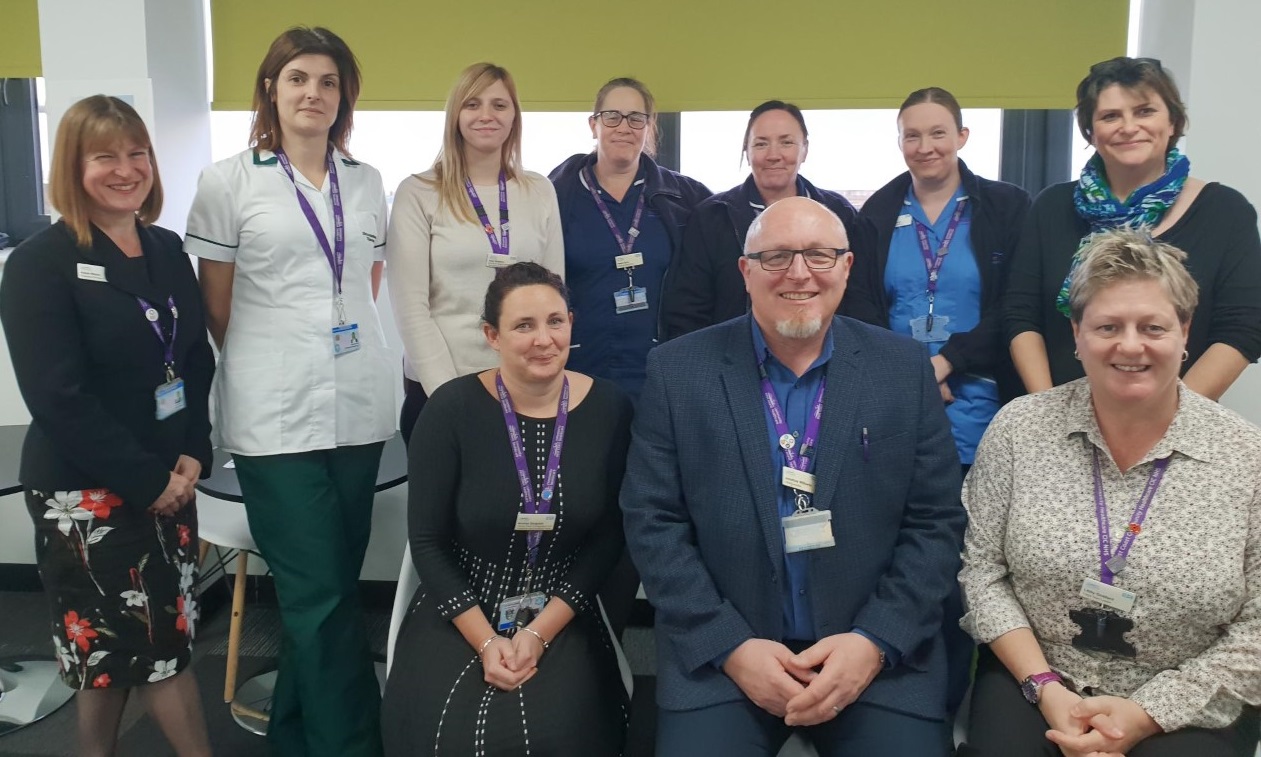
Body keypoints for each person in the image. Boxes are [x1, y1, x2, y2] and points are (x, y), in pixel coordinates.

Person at [621, 196, 966, 756]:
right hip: (724, 656)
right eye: (776, 256)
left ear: (847, 267)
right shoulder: (679, 371)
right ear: (745, 271)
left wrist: (873, 643)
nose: (799, 273)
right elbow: (652, 522)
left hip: (874, 656)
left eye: (819, 256)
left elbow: (936, 523)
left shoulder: (902, 369)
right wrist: (730, 646)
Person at [960, 228, 1261, 757]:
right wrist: (1047, 689)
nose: (1129, 345)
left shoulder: (1244, 456)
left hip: (1189, 697)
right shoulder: (1018, 431)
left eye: (1152, 327)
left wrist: (1148, 714)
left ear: (1185, 331)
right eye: (1107, 326)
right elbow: (981, 573)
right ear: (1076, 335)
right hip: (1038, 678)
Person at [185, 26, 394, 756]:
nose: (314, 93)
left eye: (328, 81)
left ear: (345, 97)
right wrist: (278, 355)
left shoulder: (364, 181)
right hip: (273, 415)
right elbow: (218, 306)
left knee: (330, 589)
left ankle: (293, 740)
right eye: (298, 78)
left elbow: (363, 287)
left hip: (360, 406)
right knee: (320, 596)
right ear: (271, 89)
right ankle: (355, 745)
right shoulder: (227, 181)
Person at [0, 95, 213, 757]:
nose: (126, 169)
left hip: (169, 480)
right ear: (72, 166)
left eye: (136, 152)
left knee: (108, 647)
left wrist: (194, 454)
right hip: (86, 495)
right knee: (157, 649)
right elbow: (58, 397)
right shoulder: (40, 263)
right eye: (105, 156)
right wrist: (150, 478)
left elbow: (195, 358)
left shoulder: (165, 248)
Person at [381, 262, 633, 756]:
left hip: (565, 602)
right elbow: (428, 541)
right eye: (523, 325)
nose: (544, 339)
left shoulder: (610, 409)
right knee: (447, 735)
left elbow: (609, 537)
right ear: (491, 336)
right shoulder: (450, 409)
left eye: (555, 321)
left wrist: (539, 633)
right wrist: (484, 641)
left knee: (554, 733)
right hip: (461, 600)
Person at [858, 85, 1031, 718]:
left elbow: (1017, 306)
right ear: (899, 141)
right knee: (895, 553)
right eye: (911, 135)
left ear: (962, 137)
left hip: (978, 404)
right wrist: (911, 371)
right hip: (896, 402)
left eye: (937, 132)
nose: (924, 146)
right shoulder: (877, 211)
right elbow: (863, 310)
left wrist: (946, 360)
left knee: (968, 561)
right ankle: (891, 681)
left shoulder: (1006, 207)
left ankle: (962, 695)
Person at [1005, 56, 1261, 400]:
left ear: (1173, 122)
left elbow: (1243, 327)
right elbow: (1020, 316)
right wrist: (1046, 413)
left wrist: (1173, 418)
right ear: (1091, 132)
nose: (1128, 127)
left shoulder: (1226, 211)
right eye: (1111, 116)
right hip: (1061, 422)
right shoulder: (1051, 207)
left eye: (1144, 111)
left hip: (1179, 426)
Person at [387, 62, 564, 443]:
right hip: (442, 388)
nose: (487, 115)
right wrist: (451, 397)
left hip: (525, 384)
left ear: (514, 116)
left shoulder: (538, 190)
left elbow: (554, 298)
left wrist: (542, 375)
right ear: (455, 116)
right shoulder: (419, 192)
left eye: (499, 105)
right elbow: (411, 308)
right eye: (472, 104)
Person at [549, 76, 711, 402]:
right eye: (612, 116)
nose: (624, 127)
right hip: (579, 367)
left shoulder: (688, 199)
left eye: (637, 118)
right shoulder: (555, 195)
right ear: (593, 124)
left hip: (659, 371)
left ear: (649, 127)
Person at [662, 99, 877, 339]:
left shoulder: (840, 214)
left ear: (804, 149)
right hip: (732, 362)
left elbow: (859, 303)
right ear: (747, 150)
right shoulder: (712, 217)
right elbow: (688, 310)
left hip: (825, 358)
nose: (773, 155)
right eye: (761, 143)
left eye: (786, 142)